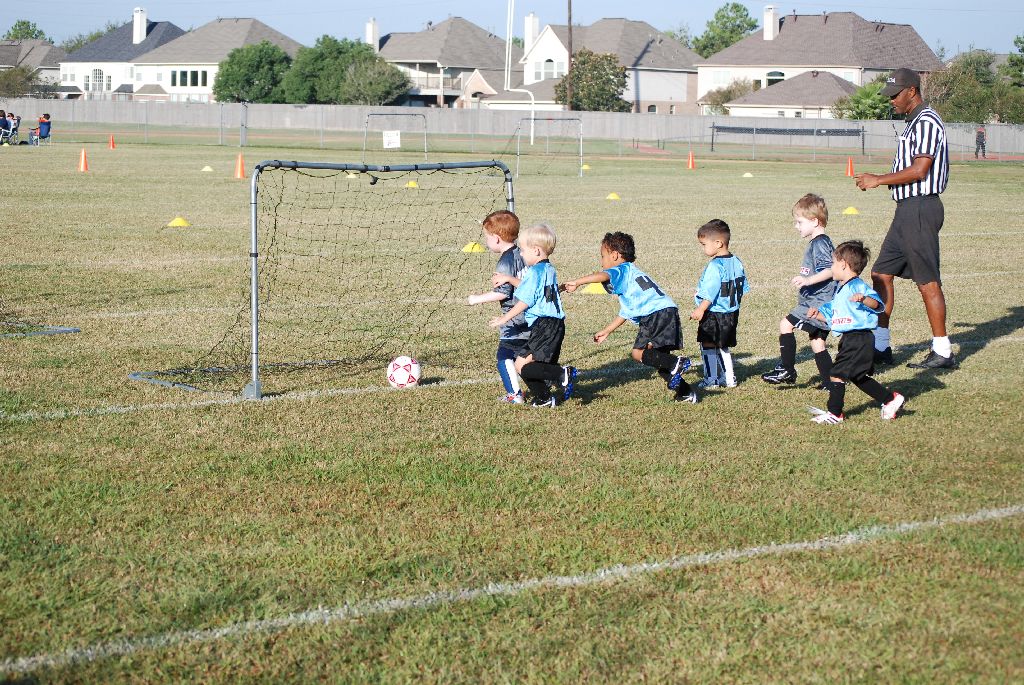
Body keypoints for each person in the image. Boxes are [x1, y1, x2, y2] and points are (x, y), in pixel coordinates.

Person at [855, 67, 954, 370]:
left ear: (912, 91)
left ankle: (942, 350)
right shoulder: (913, 122)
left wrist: (878, 179)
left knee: (927, 281)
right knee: (881, 274)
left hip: (921, 208)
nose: (891, 101)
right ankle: (881, 346)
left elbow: (920, 170)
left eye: (895, 95)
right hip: (907, 209)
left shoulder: (927, 121)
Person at [563, 231, 696, 403]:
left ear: (615, 255)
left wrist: (578, 282)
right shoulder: (631, 275)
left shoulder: (621, 269)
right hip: (667, 311)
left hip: (654, 314)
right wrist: (607, 330)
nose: (602, 262)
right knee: (658, 359)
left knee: (638, 353)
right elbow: (627, 312)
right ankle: (685, 392)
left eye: (603, 256)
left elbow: (603, 275)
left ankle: (676, 363)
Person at [806, 241, 906, 424]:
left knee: (836, 374)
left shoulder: (857, 286)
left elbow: (877, 305)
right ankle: (890, 399)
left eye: (833, 263)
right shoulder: (841, 289)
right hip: (849, 339)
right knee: (857, 376)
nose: (831, 267)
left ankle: (835, 413)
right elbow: (834, 316)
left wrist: (864, 299)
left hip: (859, 338)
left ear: (843, 264)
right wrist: (818, 315)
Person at [489, 223, 575, 408]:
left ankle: (561, 374)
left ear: (536, 250)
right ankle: (544, 398)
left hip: (544, 326)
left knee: (526, 367)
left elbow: (525, 301)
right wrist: (509, 279)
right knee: (521, 365)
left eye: (523, 250)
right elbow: (535, 289)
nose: (520, 254)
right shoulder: (549, 269)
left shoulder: (534, 272)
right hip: (553, 325)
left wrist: (504, 318)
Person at [762, 194, 836, 389]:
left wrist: (808, 280)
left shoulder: (820, 243)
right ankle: (830, 382)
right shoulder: (819, 241)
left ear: (815, 221)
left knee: (785, 324)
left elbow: (830, 270)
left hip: (818, 302)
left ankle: (787, 369)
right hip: (820, 301)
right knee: (817, 341)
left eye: (800, 222)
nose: (796, 226)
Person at [466, 209, 529, 404]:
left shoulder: (505, 262)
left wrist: (476, 299)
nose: (486, 241)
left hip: (514, 318)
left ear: (496, 238)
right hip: (531, 315)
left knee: (504, 355)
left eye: (487, 237)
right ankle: (553, 379)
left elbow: (503, 292)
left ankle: (515, 395)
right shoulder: (523, 253)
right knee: (524, 358)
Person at [690, 219, 749, 389]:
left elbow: (710, 292)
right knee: (723, 345)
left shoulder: (715, 266)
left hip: (714, 313)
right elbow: (742, 288)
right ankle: (729, 378)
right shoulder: (737, 261)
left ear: (718, 243)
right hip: (731, 312)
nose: (703, 248)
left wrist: (700, 309)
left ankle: (712, 380)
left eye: (704, 244)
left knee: (708, 344)